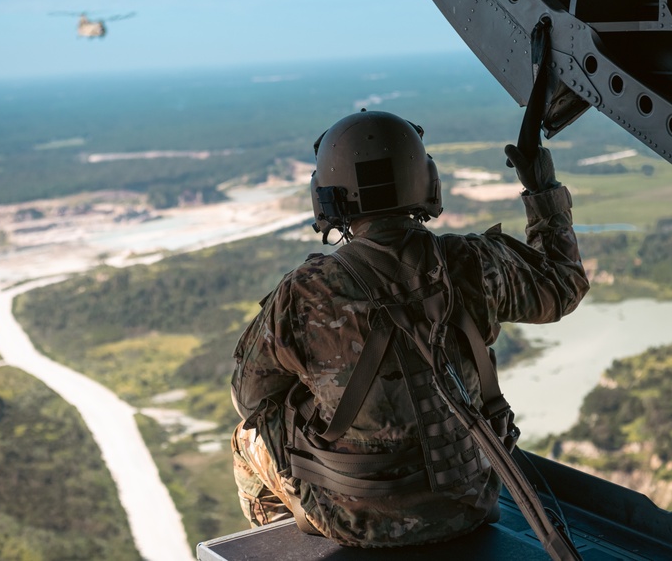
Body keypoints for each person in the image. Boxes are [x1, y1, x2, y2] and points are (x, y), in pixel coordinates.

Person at [230, 110, 589, 548]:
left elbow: (249, 398)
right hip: (469, 503)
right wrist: (541, 190)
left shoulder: (305, 294)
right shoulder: (472, 263)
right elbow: (562, 284)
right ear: (426, 181)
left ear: (327, 197)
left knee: (246, 439)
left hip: (356, 522)